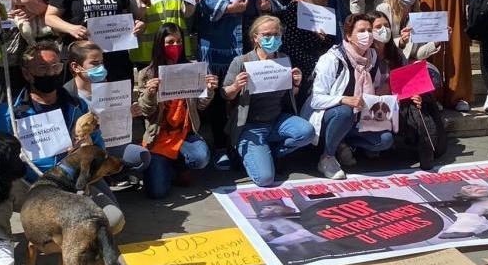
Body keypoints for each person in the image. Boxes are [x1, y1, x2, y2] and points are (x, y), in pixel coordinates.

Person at [0, 41, 126, 265]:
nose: (50, 73)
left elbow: (100, 152)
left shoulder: (76, 106)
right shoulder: (9, 111)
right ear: (26, 73)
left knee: (114, 220)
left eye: (54, 67)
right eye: (42, 69)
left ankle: (66, 237)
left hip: (70, 185)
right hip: (29, 186)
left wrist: (87, 144)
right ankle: (1, 241)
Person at [193, 0, 281, 159]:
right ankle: (222, 146)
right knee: (223, 92)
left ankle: (247, 142)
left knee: (248, 90)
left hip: (250, 36)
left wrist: (267, 4)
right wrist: (227, 7)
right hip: (222, 38)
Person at [222, 16, 316, 186]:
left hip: (277, 121)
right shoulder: (241, 61)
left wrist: (296, 84)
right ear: (255, 38)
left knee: (307, 132)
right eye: (266, 35)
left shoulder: (283, 59)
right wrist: (236, 86)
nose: (272, 39)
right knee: (265, 179)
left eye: (276, 34)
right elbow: (225, 94)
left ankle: (273, 152)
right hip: (250, 126)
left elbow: (290, 96)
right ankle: (245, 153)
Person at [304, 13, 395, 179]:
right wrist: (344, 99)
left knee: (385, 140)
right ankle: (327, 157)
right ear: (348, 36)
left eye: (369, 30)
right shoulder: (332, 59)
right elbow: (316, 100)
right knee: (344, 111)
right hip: (330, 116)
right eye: (361, 31)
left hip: (359, 117)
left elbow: (373, 86)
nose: (367, 35)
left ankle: (344, 143)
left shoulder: (372, 56)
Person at [136, 25, 216, 198]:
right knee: (157, 192)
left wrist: (209, 90)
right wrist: (150, 93)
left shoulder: (191, 68)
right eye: (170, 42)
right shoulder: (147, 74)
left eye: (179, 41)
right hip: (159, 138)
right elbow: (145, 110)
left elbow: (201, 106)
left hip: (184, 134)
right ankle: (165, 167)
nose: (175, 46)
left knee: (200, 157)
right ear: (159, 44)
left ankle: (180, 165)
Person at [62, 40, 151, 178]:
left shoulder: (109, 87)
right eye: (95, 63)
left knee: (142, 157)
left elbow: (113, 118)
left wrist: (127, 114)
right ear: (76, 67)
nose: (101, 68)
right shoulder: (66, 96)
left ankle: (112, 177)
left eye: (102, 62)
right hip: (85, 151)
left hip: (111, 144)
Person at [371, 12, 445, 168]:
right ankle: (425, 146)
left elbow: (406, 77)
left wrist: (415, 94)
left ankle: (428, 146)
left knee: (422, 100)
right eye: (378, 27)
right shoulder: (366, 54)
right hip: (376, 103)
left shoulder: (395, 53)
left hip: (399, 98)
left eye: (386, 26)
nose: (383, 29)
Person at [277, 0, 347, 106]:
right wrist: (318, 64)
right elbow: (289, 46)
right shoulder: (296, 7)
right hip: (307, 70)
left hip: (335, 63)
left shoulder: (333, 0)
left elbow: (346, 25)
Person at [376, 0, 446, 90]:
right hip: (388, 63)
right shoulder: (384, 9)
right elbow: (381, 42)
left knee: (433, 75)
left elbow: (418, 54)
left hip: (407, 63)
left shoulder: (418, 16)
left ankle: (417, 103)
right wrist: (401, 42)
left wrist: (436, 42)